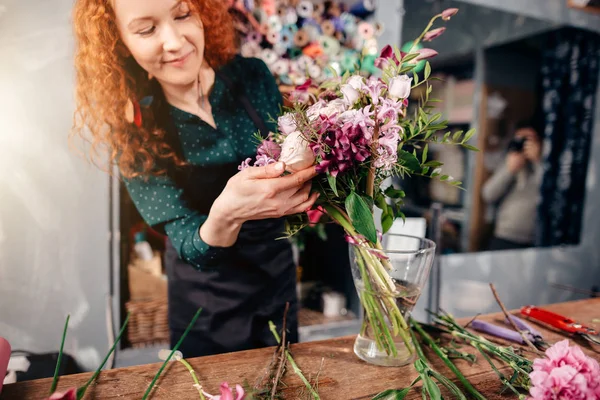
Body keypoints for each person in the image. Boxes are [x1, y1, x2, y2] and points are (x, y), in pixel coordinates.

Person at [72, 0, 319, 357]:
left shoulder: (252, 76)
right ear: (117, 40)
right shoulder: (135, 128)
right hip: (206, 296)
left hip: (274, 275)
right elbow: (185, 236)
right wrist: (226, 214)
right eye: (146, 29)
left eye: (183, 14)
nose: (174, 41)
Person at [482, 124, 543, 251]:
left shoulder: (544, 166)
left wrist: (538, 161)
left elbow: (548, 194)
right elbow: (488, 194)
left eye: (528, 140)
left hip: (533, 239)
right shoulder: (508, 162)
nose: (523, 144)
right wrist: (509, 170)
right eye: (519, 139)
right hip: (503, 236)